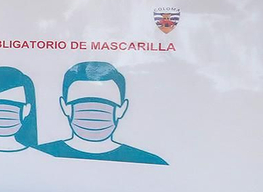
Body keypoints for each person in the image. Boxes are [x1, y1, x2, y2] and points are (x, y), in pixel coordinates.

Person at [37, 61, 167, 164]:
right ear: (64, 106)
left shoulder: (149, 161)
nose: (93, 111)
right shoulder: (38, 155)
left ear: (122, 109)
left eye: (106, 103)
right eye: (81, 101)